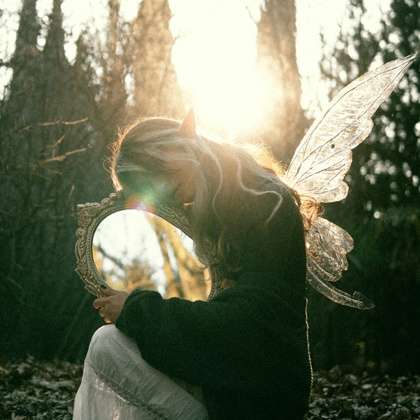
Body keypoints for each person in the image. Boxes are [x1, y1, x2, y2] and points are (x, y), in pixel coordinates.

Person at [73, 111, 313, 420]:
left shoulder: (267, 204)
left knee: (107, 346)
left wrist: (135, 310)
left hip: (260, 401)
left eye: (165, 182)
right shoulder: (216, 204)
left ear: (176, 153)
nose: (170, 197)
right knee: (109, 342)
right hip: (226, 382)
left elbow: (245, 325)